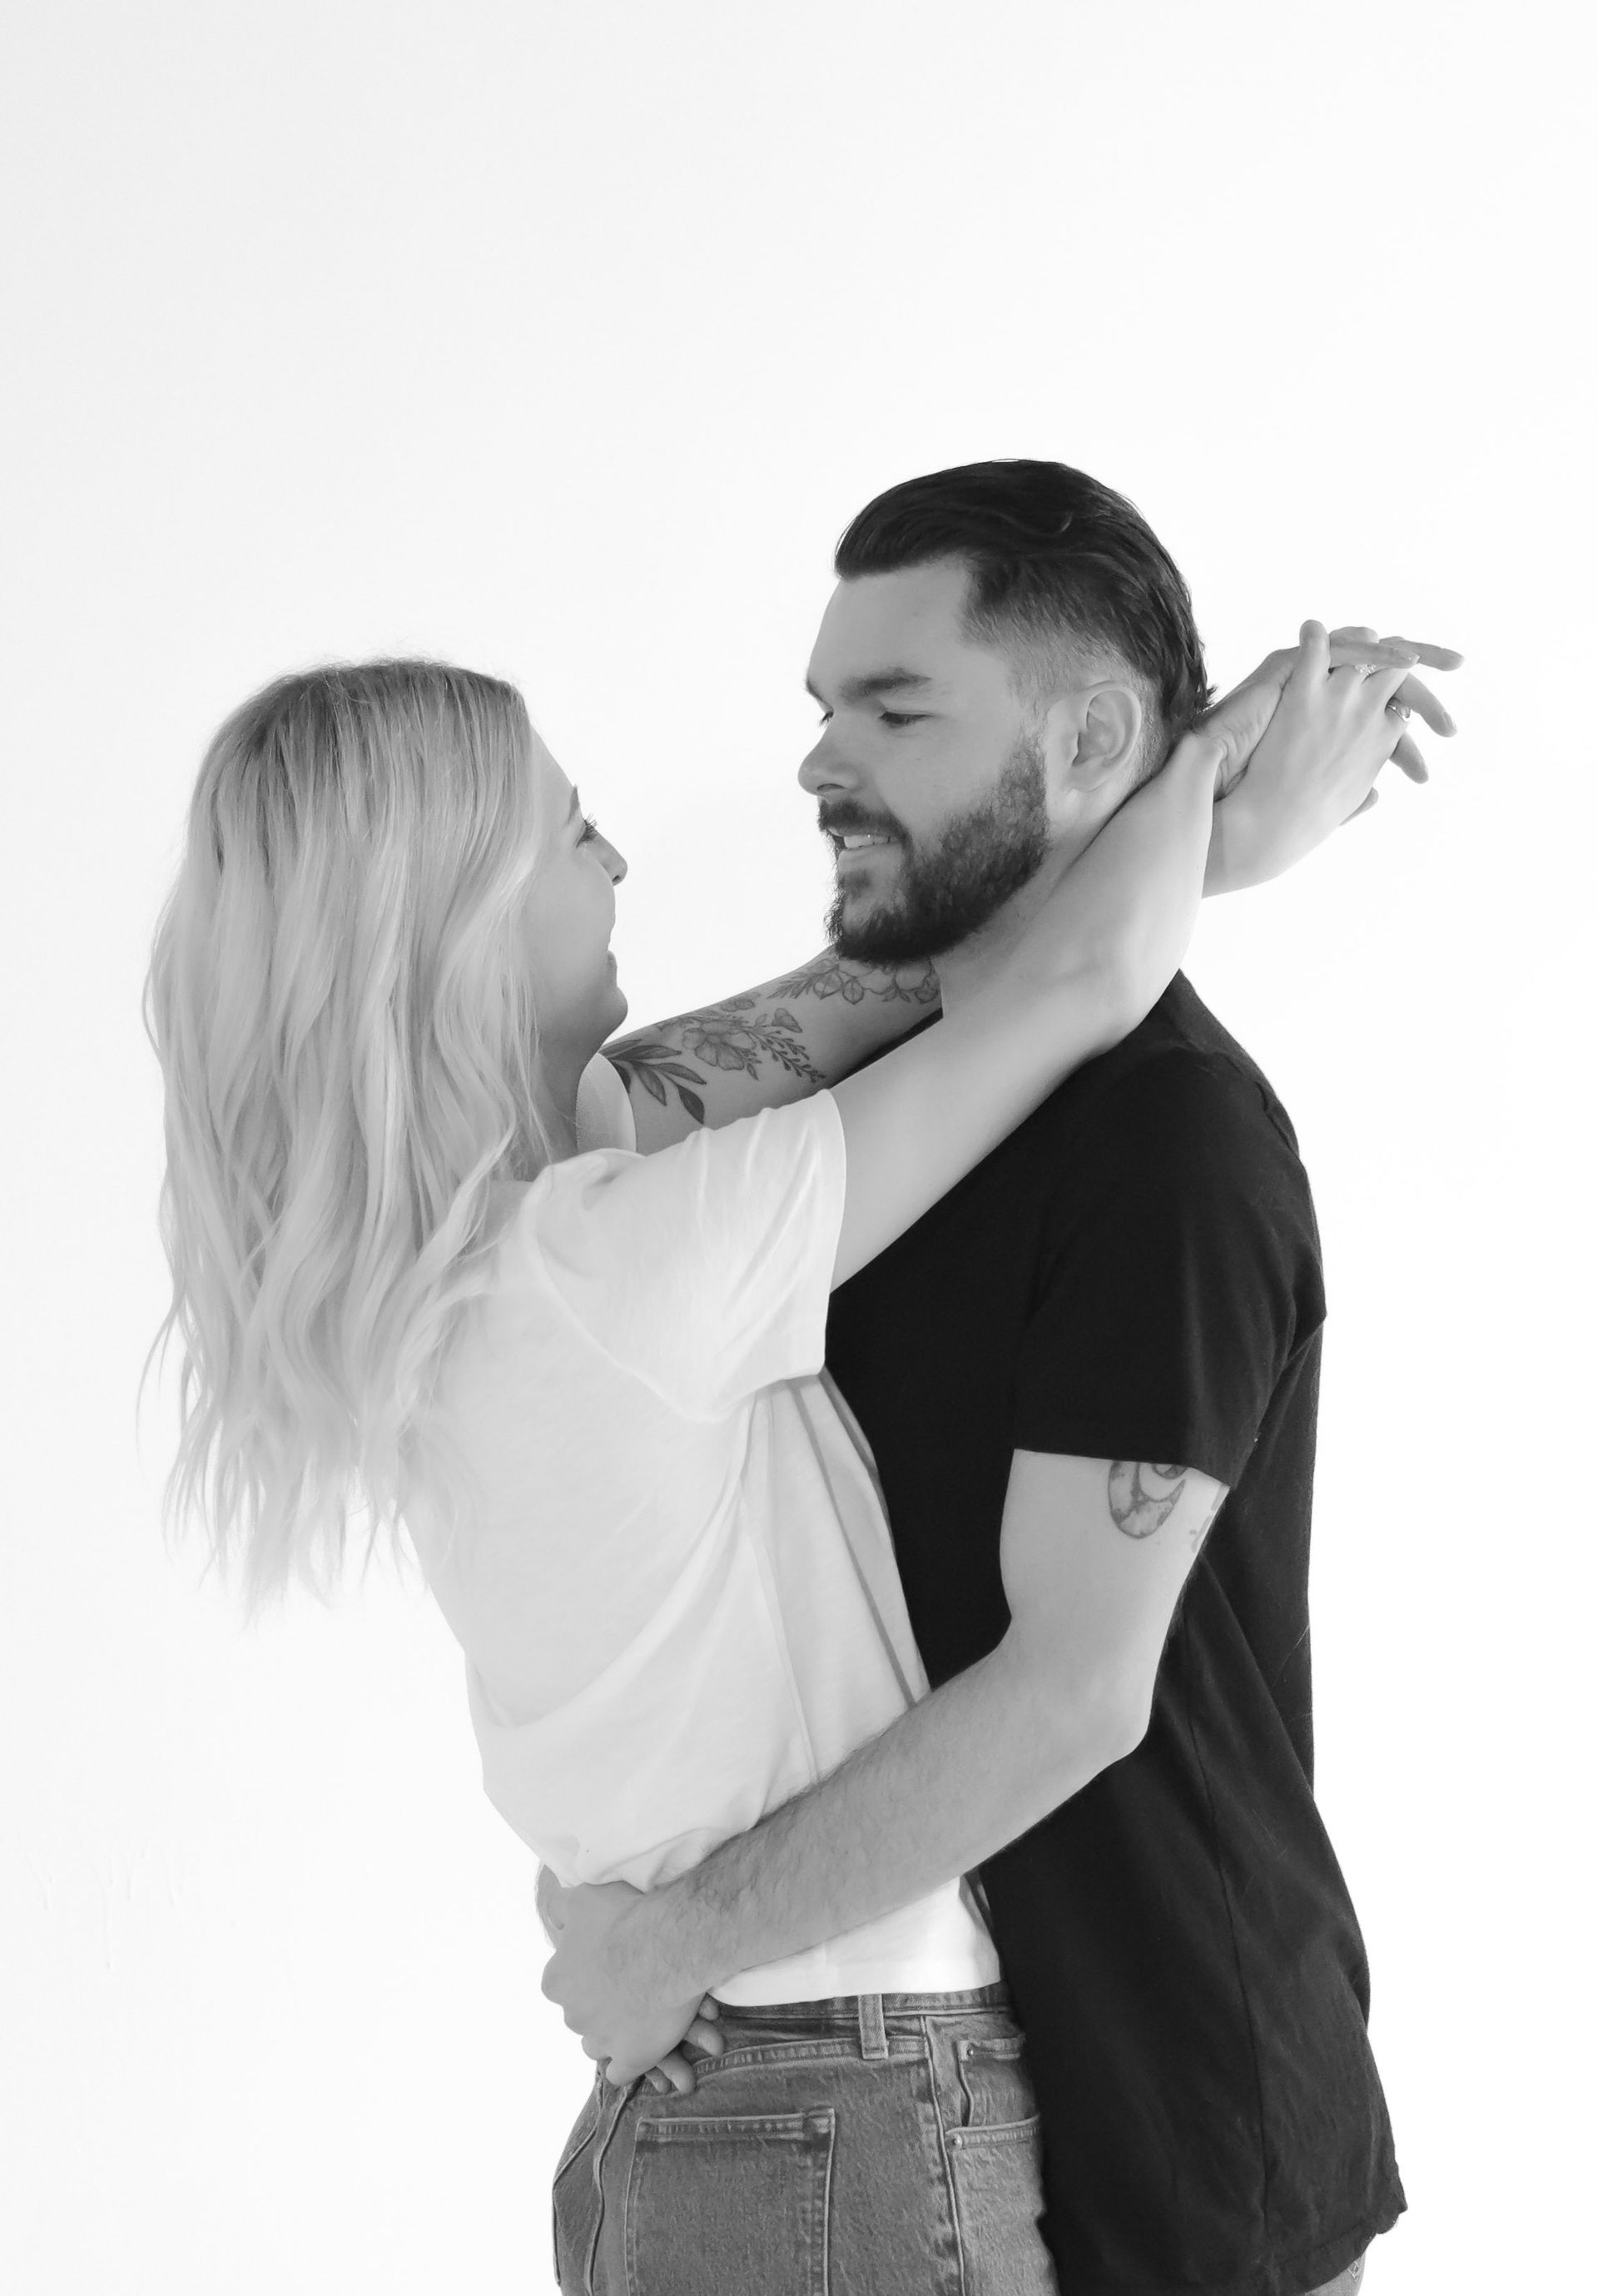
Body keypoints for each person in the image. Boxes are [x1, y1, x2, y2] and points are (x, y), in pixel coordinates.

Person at [540, 461, 1460, 2296]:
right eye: (821, 707)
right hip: (922, 2110)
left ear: (1099, 732)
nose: (818, 760)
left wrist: (681, 1942)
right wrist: (1166, 838)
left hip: (1181, 2140)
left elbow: (1072, 1691)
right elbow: (590, 1123)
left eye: (894, 706)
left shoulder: (1169, 1142)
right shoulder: (881, 1114)